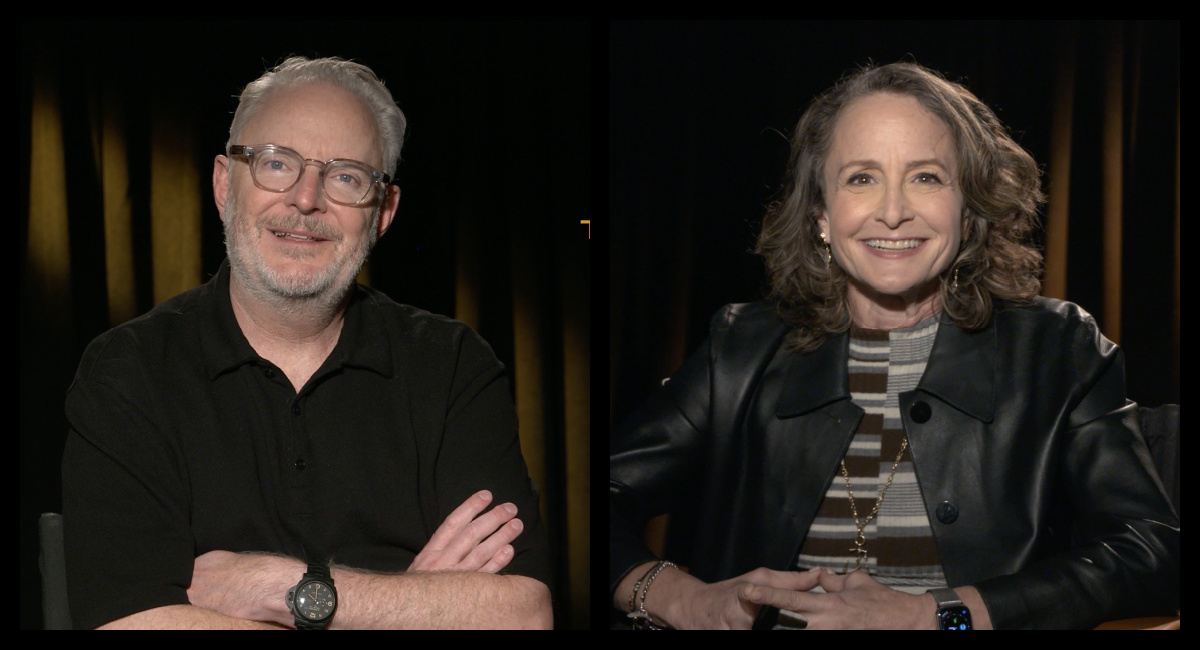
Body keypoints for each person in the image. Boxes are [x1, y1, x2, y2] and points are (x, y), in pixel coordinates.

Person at [609, 62, 1179, 629]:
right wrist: (680, 597)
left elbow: (1152, 552)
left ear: (970, 209)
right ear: (821, 215)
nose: (892, 210)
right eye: (861, 178)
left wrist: (933, 616)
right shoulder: (739, 348)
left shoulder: (1058, 350)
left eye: (926, 177)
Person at [63, 56, 552, 629]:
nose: (305, 199)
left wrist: (284, 589)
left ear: (383, 212)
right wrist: (412, 605)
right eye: (276, 164)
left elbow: (523, 616)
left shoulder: (452, 366)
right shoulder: (127, 372)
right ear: (225, 185)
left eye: (346, 176)